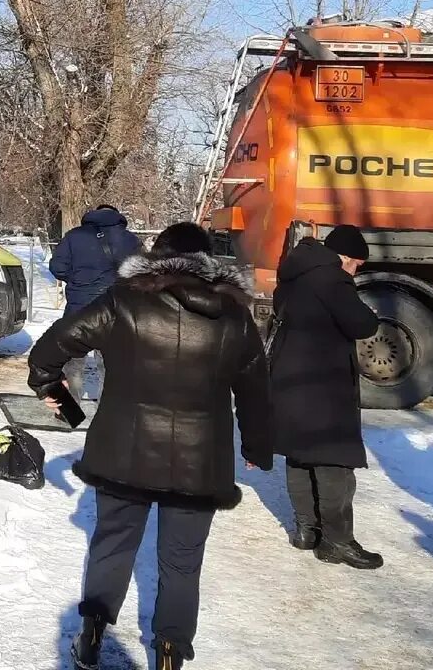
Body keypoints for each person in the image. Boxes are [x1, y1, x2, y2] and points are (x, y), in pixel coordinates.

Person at [29, 222, 273, 670]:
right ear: (208, 262)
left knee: (113, 545)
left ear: (158, 256)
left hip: (123, 452)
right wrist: (257, 446)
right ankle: (168, 655)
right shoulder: (234, 316)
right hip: (200, 462)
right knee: (182, 562)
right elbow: (256, 388)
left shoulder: (125, 300)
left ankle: (91, 639)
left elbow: (53, 344)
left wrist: (57, 393)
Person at [270, 225, 382, 570]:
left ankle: (306, 530)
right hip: (323, 381)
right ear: (345, 257)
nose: (356, 270)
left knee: (300, 454)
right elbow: (362, 324)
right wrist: (371, 315)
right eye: (357, 264)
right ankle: (338, 541)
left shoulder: (293, 273)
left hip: (290, 377)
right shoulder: (331, 279)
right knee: (333, 459)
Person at [48, 206, 142, 399]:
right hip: (114, 310)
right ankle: (107, 416)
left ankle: (68, 414)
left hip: (78, 310)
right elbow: (142, 273)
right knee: (110, 365)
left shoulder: (74, 237)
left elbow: (57, 267)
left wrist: (78, 281)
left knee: (72, 362)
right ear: (117, 217)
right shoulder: (130, 240)